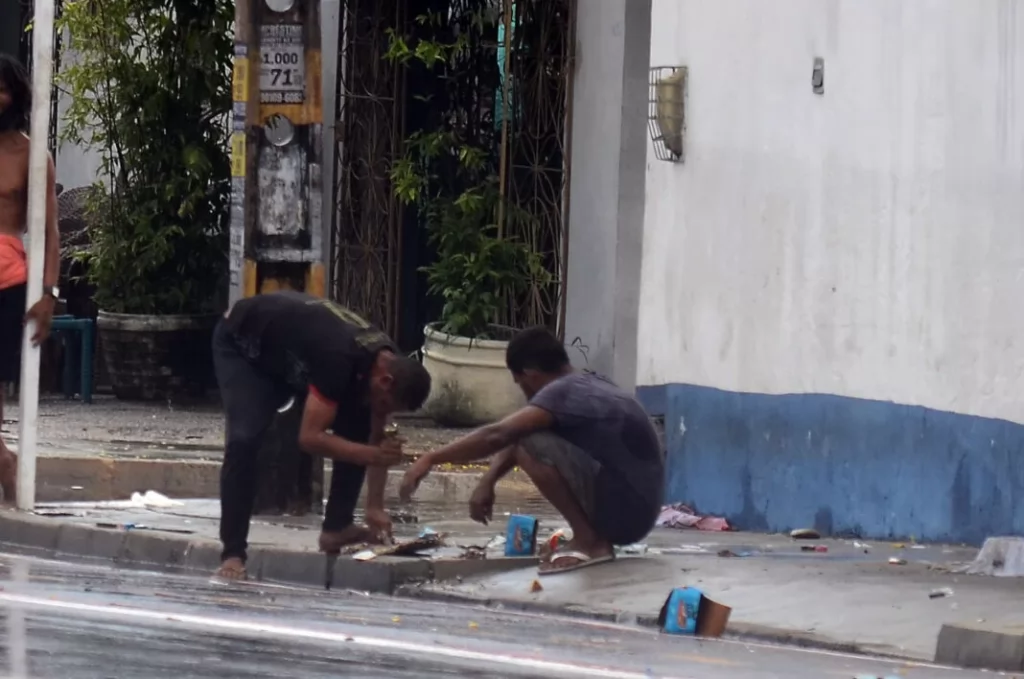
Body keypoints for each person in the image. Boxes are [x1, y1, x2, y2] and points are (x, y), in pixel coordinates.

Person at [401, 326, 664, 575]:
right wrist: (488, 480)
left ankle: (590, 542)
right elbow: (513, 433)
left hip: (627, 513)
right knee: (526, 433)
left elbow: (497, 435)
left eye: (519, 382)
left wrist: (431, 457)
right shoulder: (583, 383)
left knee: (531, 440)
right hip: (638, 511)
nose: (523, 391)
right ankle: (590, 537)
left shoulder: (561, 393)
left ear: (531, 374)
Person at [213, 291, 431, 579]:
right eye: (384, 404)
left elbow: (377, 434)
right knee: (245, 438)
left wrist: (375, 506)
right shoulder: (338, 359)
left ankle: (336, 528)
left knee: (359, 421)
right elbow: (310, 438)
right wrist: (370, 454)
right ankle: (232, 554)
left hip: (292, 356)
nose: (381, 409)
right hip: (244, 345)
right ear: (385, 381)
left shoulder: (385, 361)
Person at [0, 55, 61, 504]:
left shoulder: (30, 154)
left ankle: (7, 472)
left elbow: (49, 232)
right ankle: (5, 465)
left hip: (7, 280)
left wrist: (48, 294)